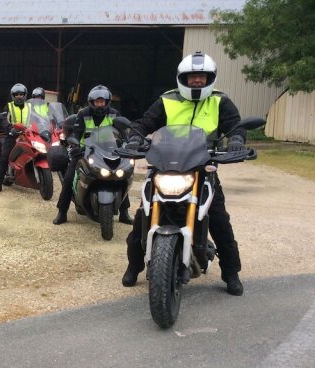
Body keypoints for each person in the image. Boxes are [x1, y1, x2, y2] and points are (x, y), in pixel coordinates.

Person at [121, 51, 247, 296]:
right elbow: (145, 122)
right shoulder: (167, 100)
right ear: (183, 78)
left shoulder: (220, 101)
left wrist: (237, 141)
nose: (197, 81)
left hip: (202, 167)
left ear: (210, 78)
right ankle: (133, 266)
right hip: (165, 164)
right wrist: (136, 136)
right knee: (142, 218)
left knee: (219, 220)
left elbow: (235, 126)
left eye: (202, 77)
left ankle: (231, 273)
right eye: (192, 77)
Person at [52, 85, 133, 225]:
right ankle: (62, 212)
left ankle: (124, 213)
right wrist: (75, 144)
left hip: (111, 150)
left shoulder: (114, 114)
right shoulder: (83, 114)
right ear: (92, 102)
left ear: (107, 101)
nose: (100, 104)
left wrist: (129, 145)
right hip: (86, 150)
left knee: (122, 176)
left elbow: (123, 135)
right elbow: (76, 134)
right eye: (97, 102)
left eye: (102, 101)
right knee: (69, 178)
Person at [0, 83, 29, 193]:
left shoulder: (30, 106)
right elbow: (4, 119)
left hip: (27, 134)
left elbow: (37, 118)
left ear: (25, 95)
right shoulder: (9, 106)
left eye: (21, 94)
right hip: (12, 135)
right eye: (16, 94)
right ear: (12, 95)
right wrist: (10, 129)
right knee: (4, 157)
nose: (19, 96)